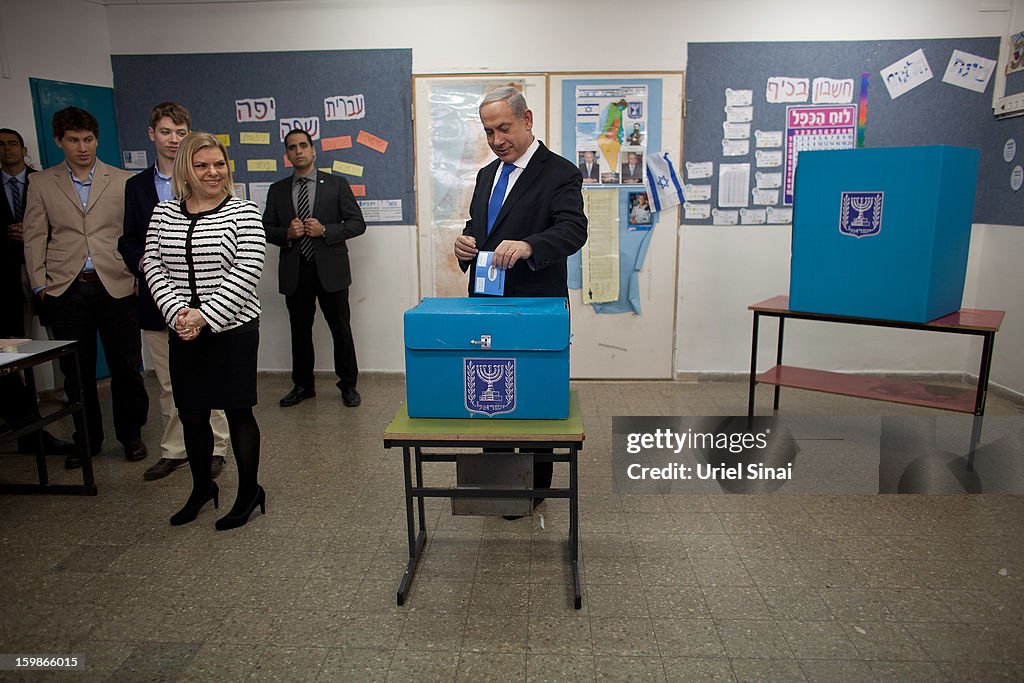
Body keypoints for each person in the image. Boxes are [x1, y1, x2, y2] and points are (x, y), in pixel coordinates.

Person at [453, 86, 588, 517]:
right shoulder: (486, 175)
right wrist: (465, 246)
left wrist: (530, 245)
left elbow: (573, 230)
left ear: (527, 120)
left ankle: (534, 491)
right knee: (488, 394)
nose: (497, 140)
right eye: (489, 131)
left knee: (532, 399)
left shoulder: (560, 173)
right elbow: (480, 228)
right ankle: (497, 484)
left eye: (504, 128)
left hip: (534, 305)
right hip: (486, 304)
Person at [143, 132, 266, 530]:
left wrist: (204, 316)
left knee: (237, 412)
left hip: (233, 330)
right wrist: (178, 313)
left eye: (218, 164)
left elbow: (247, 271)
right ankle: (201, 489)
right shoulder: (164, 213)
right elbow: (152, 266)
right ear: (185, 170)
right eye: (201, 165)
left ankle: (249, 492)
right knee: (192, 414)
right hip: (182, 331)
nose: (212, 172)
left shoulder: (243, 212)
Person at [22, 107, 149, 469]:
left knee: (126, 366)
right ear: (59, 141)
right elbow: (34, 236)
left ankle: (132, 435)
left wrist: (139, 277)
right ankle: (88, 439)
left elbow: (136, 233)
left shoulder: (123, 180)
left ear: (97, 140)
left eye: (88, 139)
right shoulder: (42, 183)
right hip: (66, 288)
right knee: (76, 371)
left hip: (116, 283)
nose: (82, 147)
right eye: (74, 140)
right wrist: (40, 284)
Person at [119, 103, 231, 481]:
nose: (173, 139)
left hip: (208, 307)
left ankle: (215, 447)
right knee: (168, 383)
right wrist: (152, 270)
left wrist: (198, 310)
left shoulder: (207, 183)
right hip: (158, 300)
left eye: (180, 133)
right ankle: (174, 449)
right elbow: (131, 241)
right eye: (166, 131)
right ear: (152, 134)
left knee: (209, 380)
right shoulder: (136, 187)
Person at [263, 129, 366, 409]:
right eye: (292, 147)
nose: (299, 151)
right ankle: (303, 386)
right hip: (297, 272)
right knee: (299, 331)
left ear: (313, 150)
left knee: (340, 330)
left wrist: (325, 230)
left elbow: (357, 223)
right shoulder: (278, 190)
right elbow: (266, 229)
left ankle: (348, 385)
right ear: (287, 154)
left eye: (303, 146)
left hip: (331, 271)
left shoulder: (336, 184)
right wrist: (288, 233)